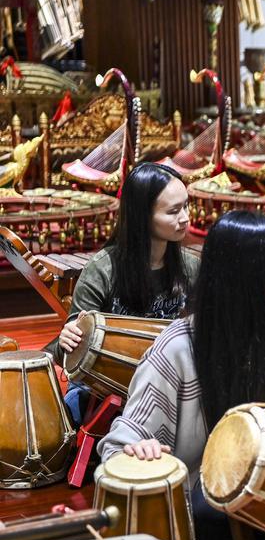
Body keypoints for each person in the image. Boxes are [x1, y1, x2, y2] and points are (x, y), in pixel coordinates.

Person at [97, 210, 265, 540]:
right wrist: (136, 451)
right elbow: (115, 448)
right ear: (251, 280)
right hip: (196, 523)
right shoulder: (176, 349)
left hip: (253, 507)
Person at [55, 162, 198, 423]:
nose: (185, 218)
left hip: (169, 383)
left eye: (186, 206)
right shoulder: (102, 270)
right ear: (142, 216)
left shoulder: (190, 268)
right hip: (104, 391)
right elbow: (64, 351)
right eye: (174, 211)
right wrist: (67, 339)